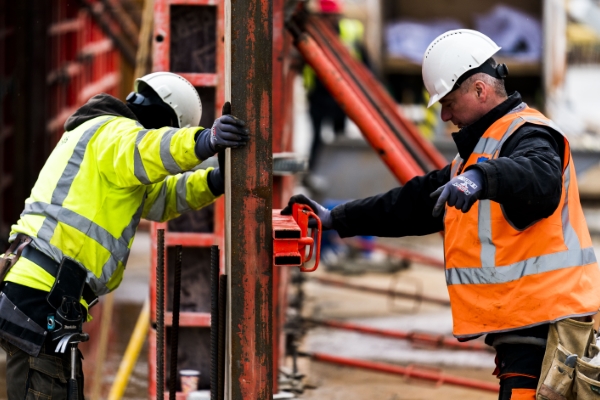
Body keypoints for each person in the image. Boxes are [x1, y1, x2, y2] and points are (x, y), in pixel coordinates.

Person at [284, 29, 600, 399]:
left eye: (449, 102)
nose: (446, 114)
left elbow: (540, 181)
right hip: (525, 323)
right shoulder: (477, 153)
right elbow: (412, 204)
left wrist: (482, 178)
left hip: (545, 325)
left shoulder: (529, 134)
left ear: (480, 90)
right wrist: (336, 219)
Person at [0, 71, 248, 399]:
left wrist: (215, 180)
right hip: (43, 292)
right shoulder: (112, 132)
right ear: (166, 119)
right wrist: (203, 142)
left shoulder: (109, 147)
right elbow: (148, 150)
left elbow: (163, 198)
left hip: (47, 293)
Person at [303, 0, 369, 185]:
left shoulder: (350, 31)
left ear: (336, 15)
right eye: (322, 16)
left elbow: (364, 61)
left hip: (341, 94)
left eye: (328, 15)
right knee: (317, 136)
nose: (326, 19)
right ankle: (312, 174)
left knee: (339, 135)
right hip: (318, 95)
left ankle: (337, 175)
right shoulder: (311, 33)